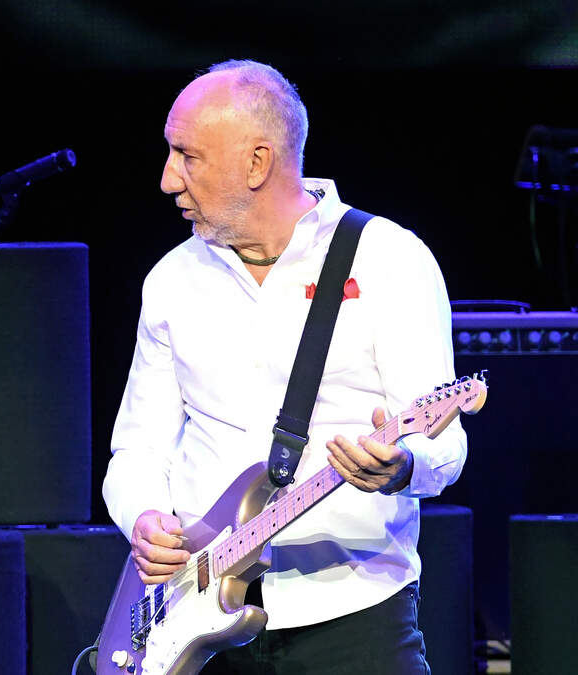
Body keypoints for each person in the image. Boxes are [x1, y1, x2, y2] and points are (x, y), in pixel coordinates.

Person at [102, 60, 466, 673]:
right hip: (192, 618)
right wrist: (143, 516)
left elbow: (446, 441)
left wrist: (402, 466)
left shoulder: (390, 259)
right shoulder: (171, 279)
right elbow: (138, 449)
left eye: (187, 156)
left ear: (257, 163)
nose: (167, 179)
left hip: (352, 613)